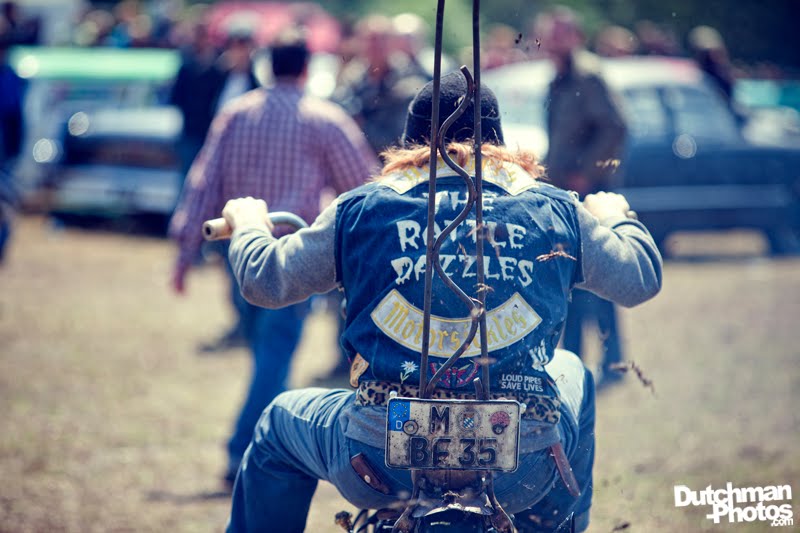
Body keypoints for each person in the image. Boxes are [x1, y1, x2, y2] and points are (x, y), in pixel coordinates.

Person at [220, 71, 662, 532]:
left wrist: (249, 224)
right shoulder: (555, 209)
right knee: (573, 369)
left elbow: (265, 280)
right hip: (524, 467)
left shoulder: (360, 210)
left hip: (378, 461)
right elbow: (640, 279)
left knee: (278, 423)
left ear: (410, 140)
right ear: (498, 141)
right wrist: (616, 218)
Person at [168, 28, 377, 487]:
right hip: (292, 257)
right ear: (306, 68)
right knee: (273, 356)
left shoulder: (236, 114)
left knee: (267, 353)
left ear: (267, 65)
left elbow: (203, 183)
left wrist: (184, 252)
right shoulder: (324, 118)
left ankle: (265, 450)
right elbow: (365, 188)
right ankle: (245, 453)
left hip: (240, 254)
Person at [538, 7, 629, 389]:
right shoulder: (557, 79)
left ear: (576, 36)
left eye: (559, 34)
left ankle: (613, 361)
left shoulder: (588, 76)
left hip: (590, 196)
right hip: (566, 195)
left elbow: (615, 128)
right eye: (549, 34)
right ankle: (574, 359)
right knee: (572, 282)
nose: (552, 41)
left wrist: (587, 173)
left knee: (599, 280)